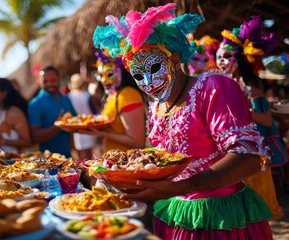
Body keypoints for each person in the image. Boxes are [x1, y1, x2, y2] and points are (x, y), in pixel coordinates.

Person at [94, 3, 273, 239]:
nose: (147, 81)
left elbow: (248, 158)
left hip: (222, 220)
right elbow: (161, 160)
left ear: (176, 59)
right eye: (137, 75)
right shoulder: (157, 106)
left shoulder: (212, 87)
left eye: (155, 67)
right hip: (173, 214)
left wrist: (183, 187)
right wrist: (122, 175)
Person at [217, 16, 285, 219]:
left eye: (227, 56)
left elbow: (265, 120)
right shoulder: (219, 83)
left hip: (254, 152)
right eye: (219, 56)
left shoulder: (251, 85)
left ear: (239, 59)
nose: (222, 61)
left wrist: (238, 109)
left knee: (255, 211)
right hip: (229, 150)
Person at [79, 51, 146, 153]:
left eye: (109, 74)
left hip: (127, 163)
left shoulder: (128, 95)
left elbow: (138, 141)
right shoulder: (113, 94)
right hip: (112, 161)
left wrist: (102, 133)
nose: (104, 80)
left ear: (122, 72)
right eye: (100, 75)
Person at [27, 66, 76, 157]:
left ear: (59, 79)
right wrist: (59, 125)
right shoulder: (35, 104)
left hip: (68, 156)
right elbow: (35, 137)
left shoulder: (66, 99)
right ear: (39, 81)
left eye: (53, 80)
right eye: (45, 81)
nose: (49, 84)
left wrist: (73, 149)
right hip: (47, 161)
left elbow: (74, 124)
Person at [0, 78, 31, 153]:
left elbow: (27, 141)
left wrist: (1, 141)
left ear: (4, 93)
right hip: (4, 160)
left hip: (17, 161)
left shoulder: (14, 112)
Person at [68, 73, 97, 159]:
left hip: (77, 126)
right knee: (89, 154)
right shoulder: (87, 95)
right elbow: (94, 110)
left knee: (80, 155)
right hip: (88, 125)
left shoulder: (70, 96)